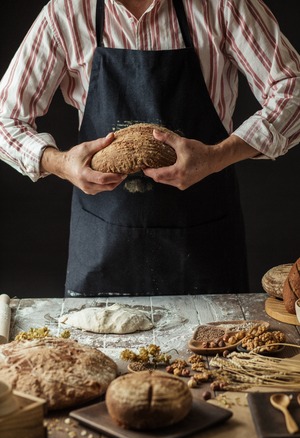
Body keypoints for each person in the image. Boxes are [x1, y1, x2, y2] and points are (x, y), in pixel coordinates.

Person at [0, 0, 299, 297]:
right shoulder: (67, 11)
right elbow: (5, 119)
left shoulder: (223, 6)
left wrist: (218, 156)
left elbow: (293, 89)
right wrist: (61, 163)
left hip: (204, 241)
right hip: (103, 241)